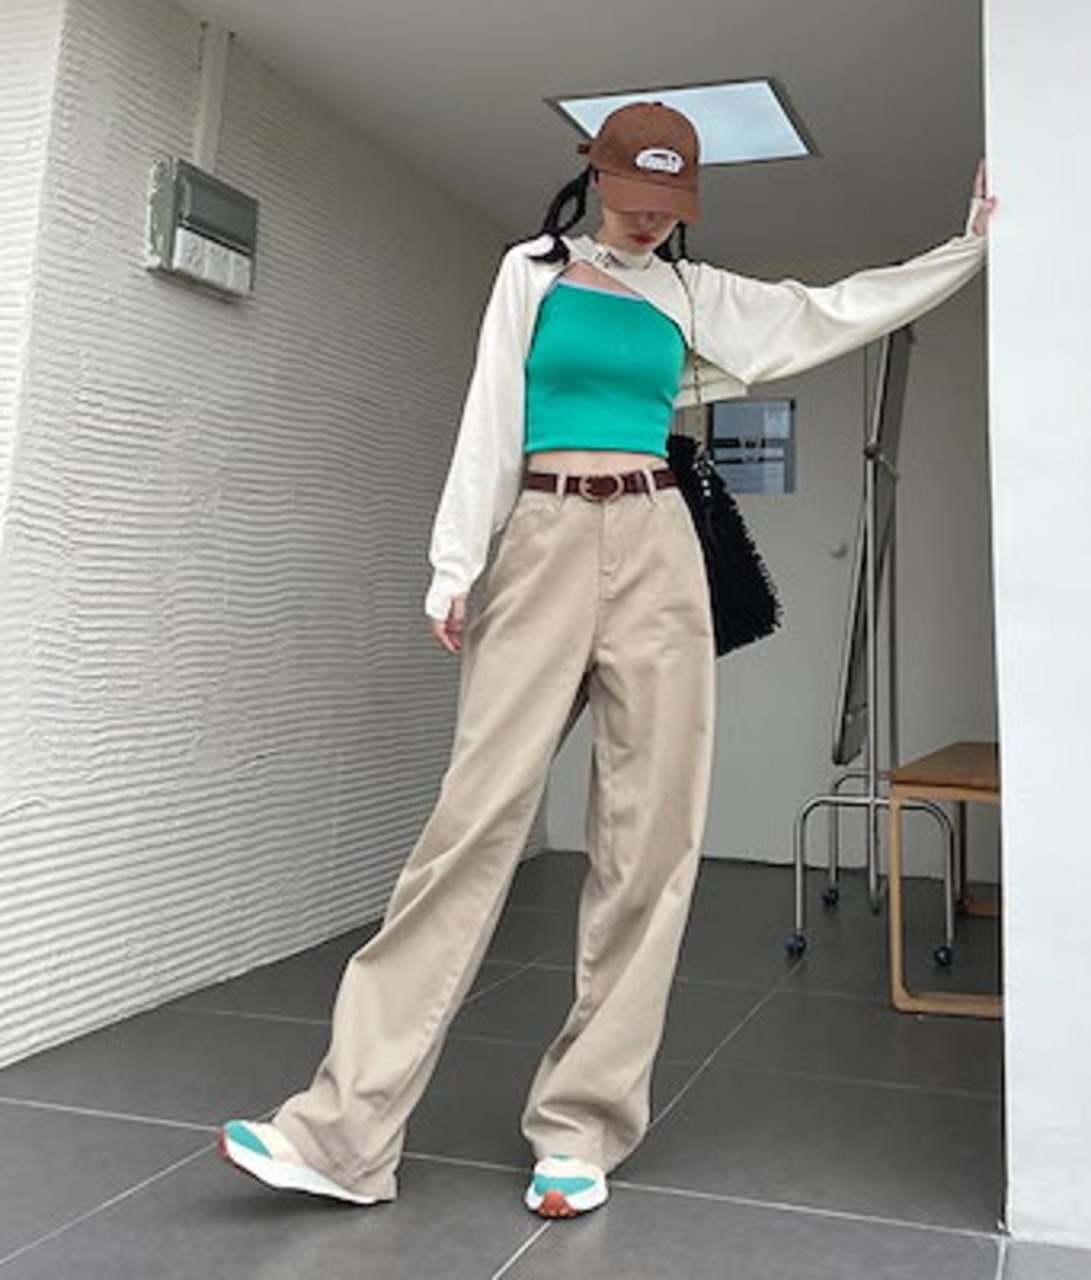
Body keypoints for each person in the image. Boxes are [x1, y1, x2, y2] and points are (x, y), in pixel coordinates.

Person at [218, 101, 995, 1218]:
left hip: (658, 543)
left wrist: (963, 252)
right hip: (541, 536)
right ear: (596, 179)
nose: (646, 221)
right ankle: (343, 1131)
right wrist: (455, 561)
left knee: (650, 840)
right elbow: (490, 415)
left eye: (667, 206)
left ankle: (580, 1126)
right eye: (632, 199)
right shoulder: (530, 273)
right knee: (470, 824)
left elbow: (826, 311)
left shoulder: (693, 293)